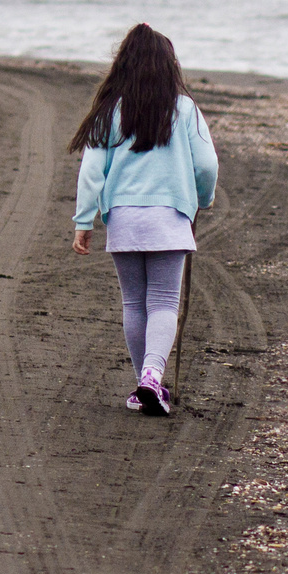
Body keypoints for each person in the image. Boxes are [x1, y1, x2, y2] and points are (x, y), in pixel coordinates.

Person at [69, 23, 219, 419]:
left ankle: (145, 382)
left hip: (124, 218)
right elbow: (206, 164)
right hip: (170, 216)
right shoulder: (184, 108)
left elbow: (91, 172)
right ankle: (153, 376)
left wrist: (84, 221)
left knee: (135, 302)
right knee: (165, 301)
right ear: (169, 66)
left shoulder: (109, 111)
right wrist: (202, 200)